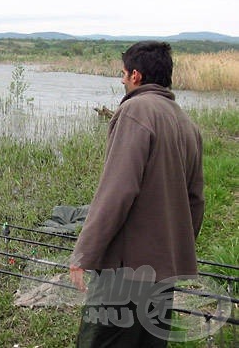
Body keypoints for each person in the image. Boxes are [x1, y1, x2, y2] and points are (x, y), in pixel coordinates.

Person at [69, 41, 204, 347]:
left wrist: (84, 253)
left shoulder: (134, 111)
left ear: (136, 76)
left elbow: (117, 191)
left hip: (125, 272)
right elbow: (196, 200)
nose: (121, 80)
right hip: (163, 275)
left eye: (123, 73)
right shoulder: (187, 123)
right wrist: (175, 251)